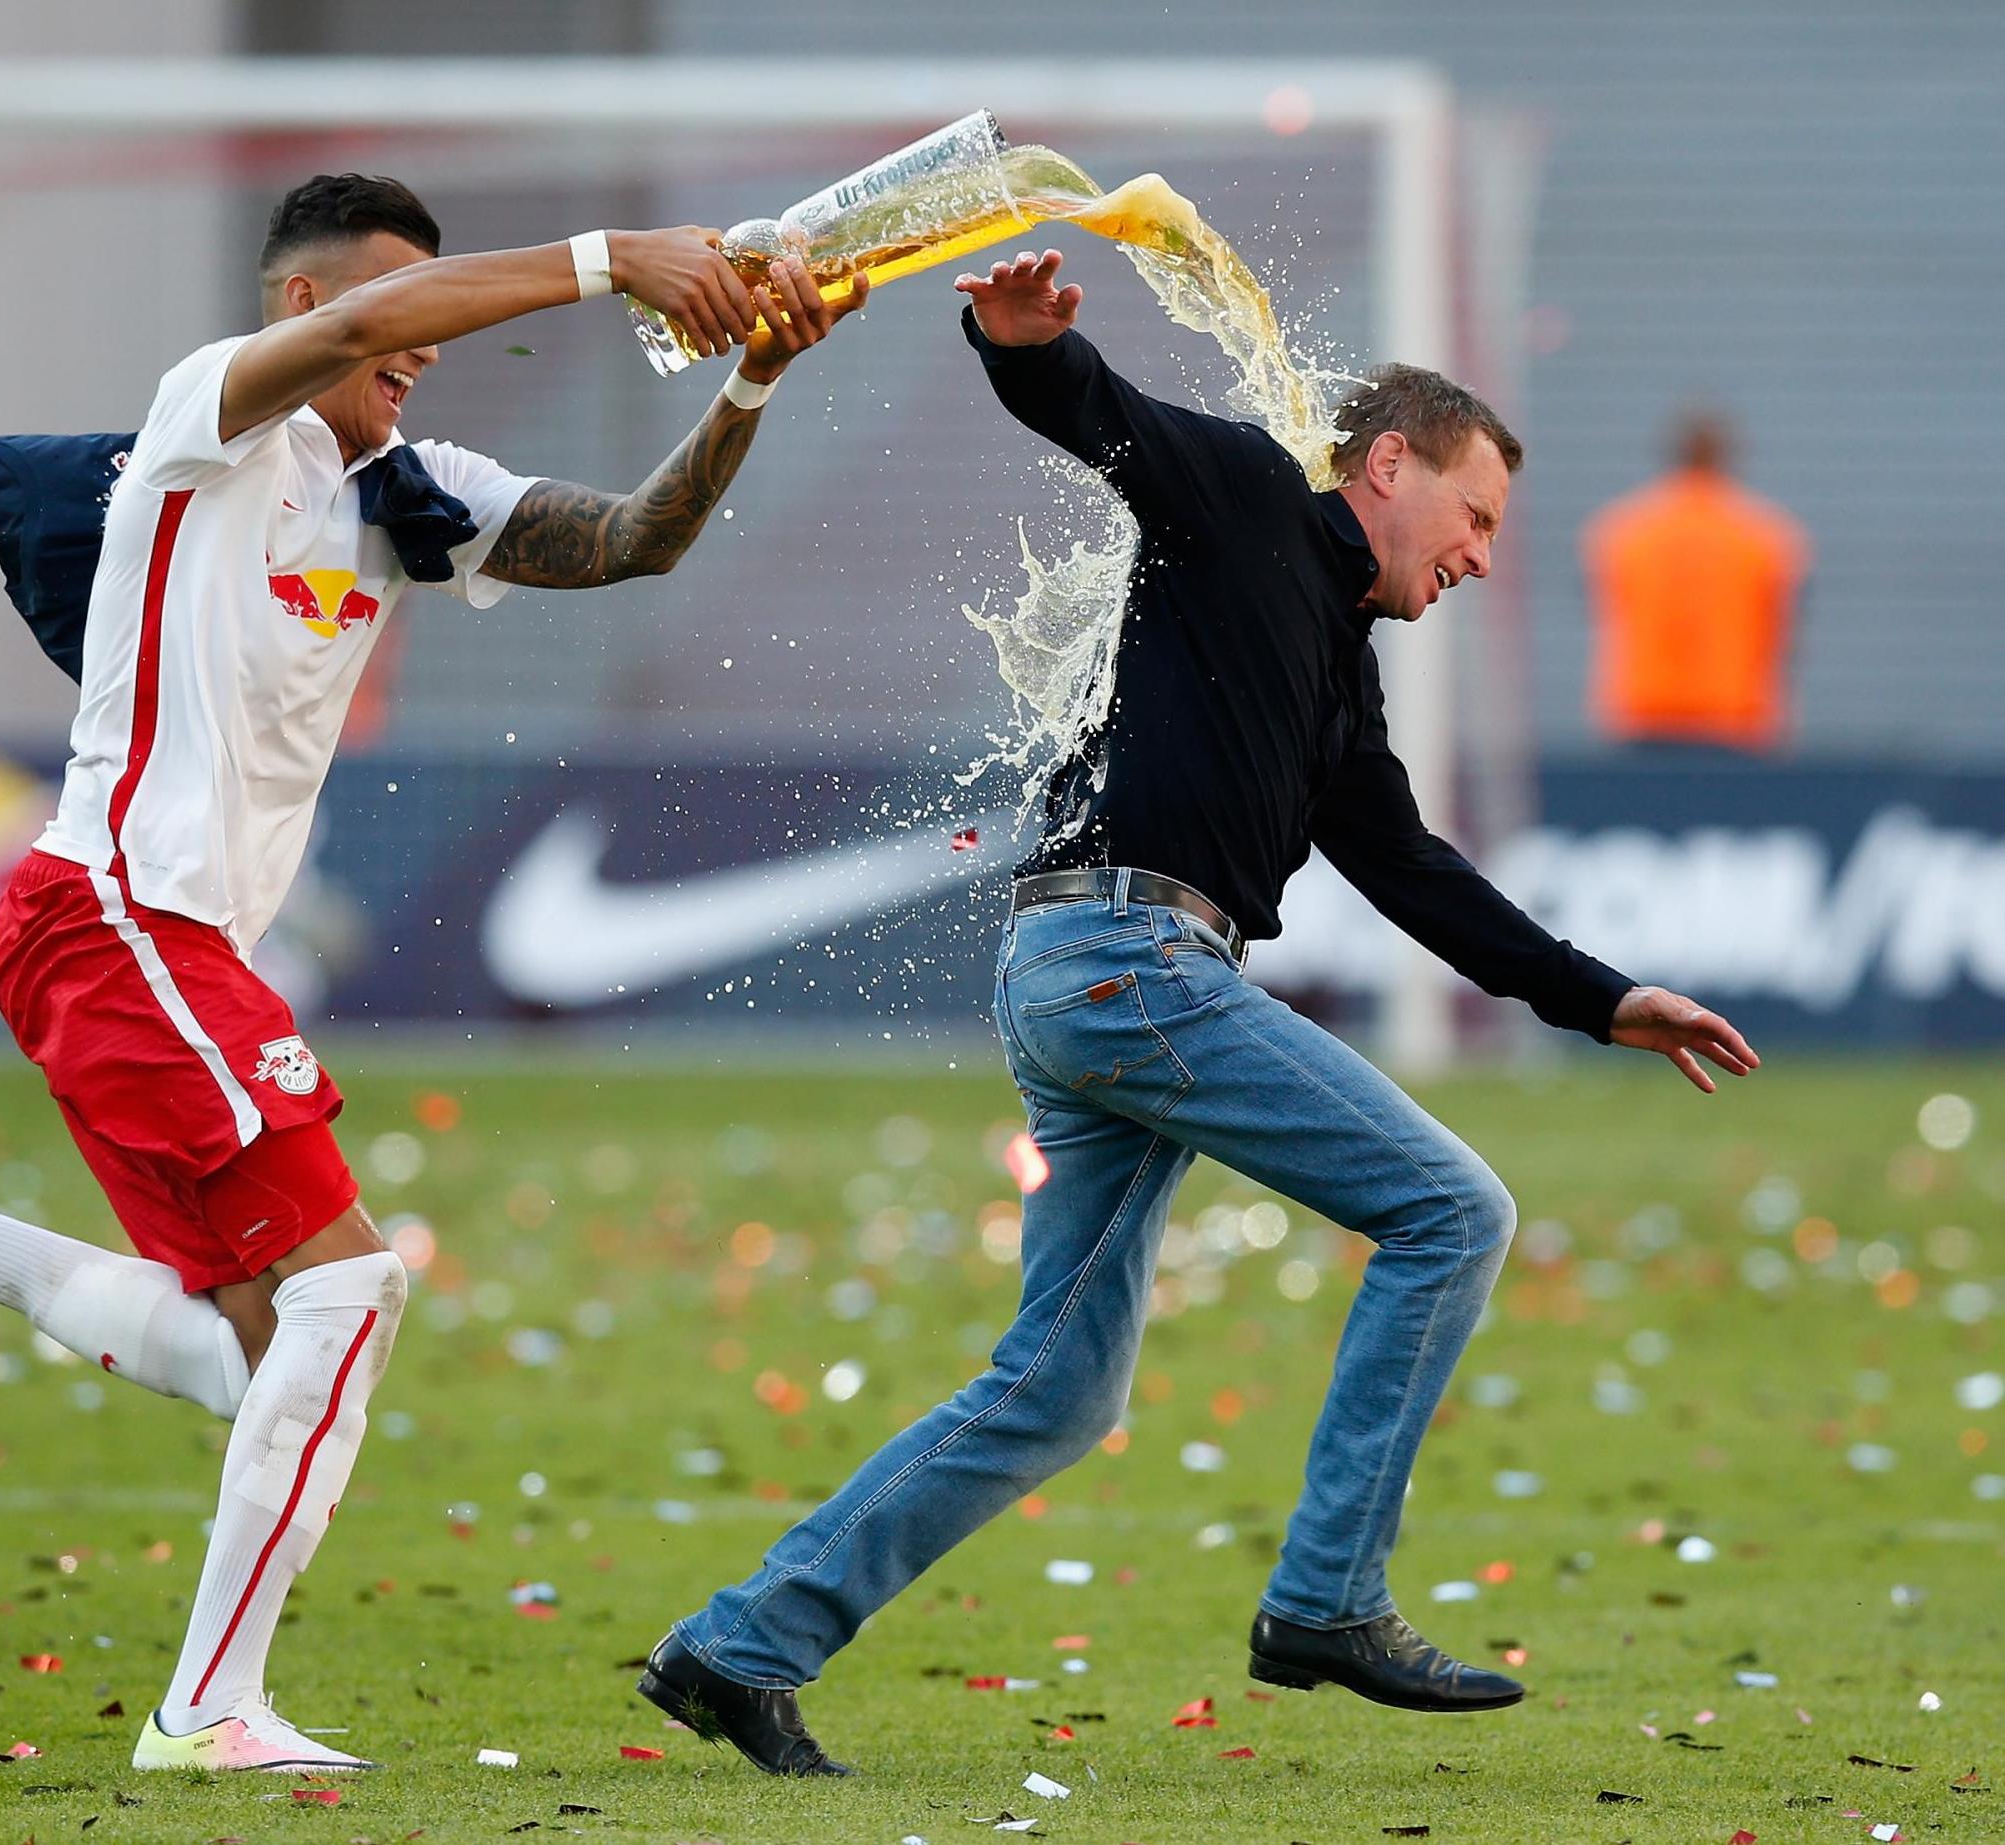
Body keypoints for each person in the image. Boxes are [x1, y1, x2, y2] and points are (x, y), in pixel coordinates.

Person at [0, 172, 865, 1775]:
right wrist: (622, 262)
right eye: (392, 313)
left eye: (420, 322)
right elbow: (374, 319)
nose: (418, 353)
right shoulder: (212, 416)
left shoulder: (409, 492)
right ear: (296, 312)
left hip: (160, 955)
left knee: (273, 1353)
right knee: (349, 1289)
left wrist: (753, 376)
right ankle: (205, 1710)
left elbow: (630, 540)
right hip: (119, 919)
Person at [638, 250, 1758, 1776]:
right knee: (1453, 1210)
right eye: (1478, 516)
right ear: (1387, 467)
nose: (1487, 554)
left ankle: (738, 1646)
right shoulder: (1239, 495)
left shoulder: (1340, 671)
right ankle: (1326, 1602)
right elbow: (1103, 417)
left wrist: (1599, 996)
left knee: (1060, 1390)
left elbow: (1413, 871)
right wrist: (1014, 340)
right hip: (1129, 965)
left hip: (1085, 971)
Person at [1583, 411, 1811, 752]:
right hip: (1734, 718)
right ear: (1726, 457)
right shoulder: (1765, 535)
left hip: (1645, 712)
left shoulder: (1624, 532)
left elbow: (1607, 611)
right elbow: (1784, 635)